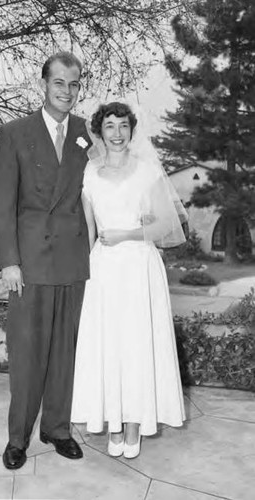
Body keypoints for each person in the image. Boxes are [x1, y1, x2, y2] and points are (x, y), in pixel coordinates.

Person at [71, 102, 187, 459]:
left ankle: (136, 424)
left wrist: (125, 235)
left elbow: (164, 225)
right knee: (110, 343)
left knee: (137, 343)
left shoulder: (146, 171)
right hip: (104, 269)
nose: (117, 133)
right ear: (100, 131)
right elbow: (89, 228)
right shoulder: (89, 172)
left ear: (131, 131)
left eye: (123, 126)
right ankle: (115, 423)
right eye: (110, 126)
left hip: (138, 265)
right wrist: (89, 265)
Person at [0, 51, 91, 470]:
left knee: (66, 352)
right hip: (29, 263)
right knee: (28, 352)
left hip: (73, 258)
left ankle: (58, 428)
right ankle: (18, 438)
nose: (66, 92)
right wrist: (8, 261)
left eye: (73, 84)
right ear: (43, 85)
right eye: (59, 83)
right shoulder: (15, 133)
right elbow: (2, 204)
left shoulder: (89, 133)